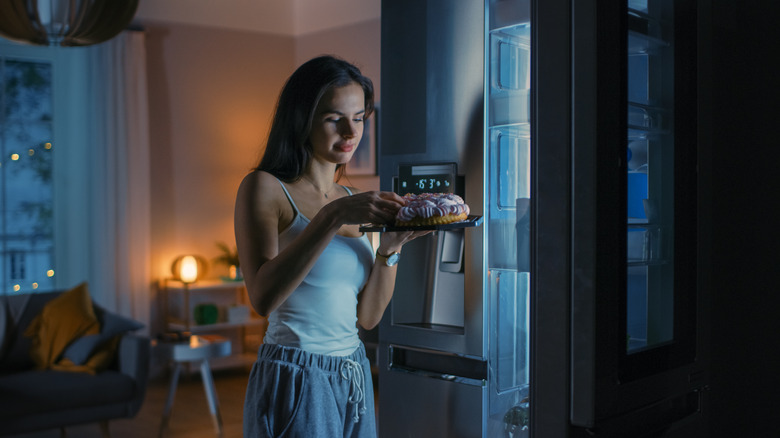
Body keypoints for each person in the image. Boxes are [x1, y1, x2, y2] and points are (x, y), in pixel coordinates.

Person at [234, 55, 428, 438]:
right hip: (296, 372)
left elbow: (368, 318)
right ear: (302, 119)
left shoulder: (351, 198)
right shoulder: (265, 187)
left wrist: (391, 247)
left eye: (358, 118)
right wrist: (332, 216)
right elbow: (262, 297)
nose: (350, 131)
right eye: (333, 118)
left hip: (352, 369)